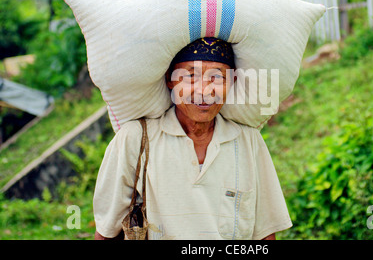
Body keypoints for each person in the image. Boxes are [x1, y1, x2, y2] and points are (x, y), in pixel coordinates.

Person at [93, 37, 292, 240]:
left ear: (231, 82)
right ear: (170, 79)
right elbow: (106, 232)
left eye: (217, 77)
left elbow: (265, 234)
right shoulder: (136, 139)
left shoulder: (248, 141)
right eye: (189, 76)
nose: (204, 90)